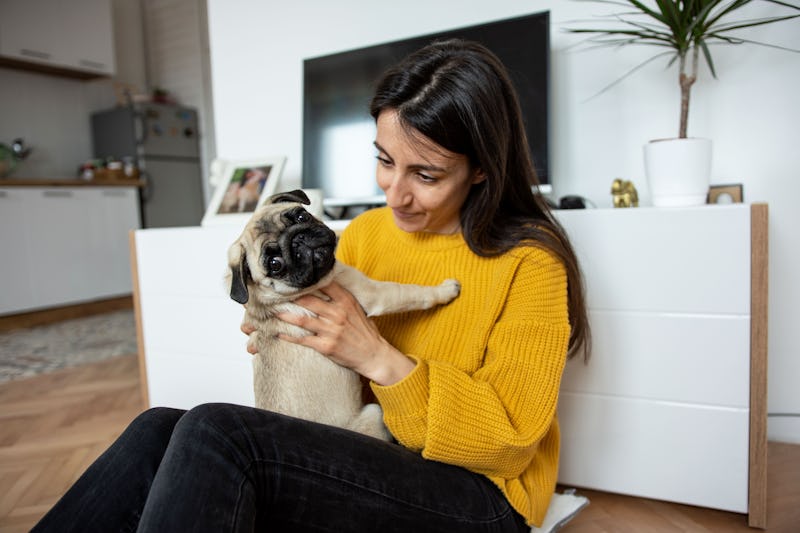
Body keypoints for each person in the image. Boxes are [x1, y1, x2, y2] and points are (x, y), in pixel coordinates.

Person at [32, 39, 589, 532]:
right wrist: (281, 330)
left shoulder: (530, 263)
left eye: (425, 175)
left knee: (218, 433)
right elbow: (322, 345)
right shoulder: (370, 231)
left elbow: (512, 443)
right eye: (384, 161)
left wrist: (378, 358)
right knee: (158, 429)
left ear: (482, 169)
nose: (394, 194)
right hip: (373, 452)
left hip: (482, 498)